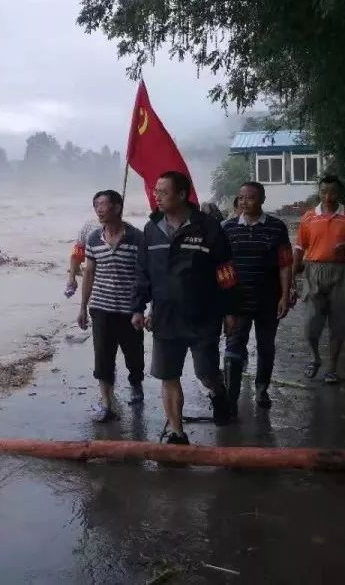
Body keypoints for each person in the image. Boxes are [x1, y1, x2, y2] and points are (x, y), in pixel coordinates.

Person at [133, 171, 239, 444]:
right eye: (155, 191)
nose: (156, 196)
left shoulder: (208, 227)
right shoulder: (151, 229)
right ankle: (177, 433)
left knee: (206, 373)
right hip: (165, 318)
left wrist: (229, 310)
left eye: (163, 191)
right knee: (168, 376)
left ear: (182, 195)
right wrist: (138, 307)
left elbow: (225, 271)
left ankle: (218, 393)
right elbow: (143, 272)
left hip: (203, 315)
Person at [221, 181, 294, 416]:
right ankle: (230, 397)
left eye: (250, 198)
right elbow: (222, 267)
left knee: (266, 347)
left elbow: (285, 264)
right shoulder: (227, 228)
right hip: (237, 301)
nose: (244, 202)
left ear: (261, 200)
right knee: (233, 346)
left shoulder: (277, 227)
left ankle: (262, 388)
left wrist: (284, 294)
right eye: (241, 198)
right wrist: (225, 304)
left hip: (268, 299)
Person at [293, 175, 345, 385]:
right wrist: (293, 273)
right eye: (323, 192)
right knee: (310, 322)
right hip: (314, 271)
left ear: (340, 194)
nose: (328, 196)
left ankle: (332, 368)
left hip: (343, 272)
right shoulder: (309, 217)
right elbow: (300, 247)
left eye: (333, 192)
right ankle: (315, 358)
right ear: (319, 192)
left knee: (338, 322)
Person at [76, 190, 145, 422]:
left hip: (129, 310)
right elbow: (89, 274)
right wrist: (83, 306)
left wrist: (143, 307)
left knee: (133, 356)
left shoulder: (136, 237)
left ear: (117, 207)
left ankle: (136, 383)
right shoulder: (94, 238)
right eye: (96, 205)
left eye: (103, 204)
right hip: (101, 307)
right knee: (103, 357)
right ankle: (106, 401)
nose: (99, 209)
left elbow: (144, 276)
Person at [65, 218, 100, 298]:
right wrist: (72, 277)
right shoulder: (89, 226)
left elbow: (77, 252)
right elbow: (77, 252)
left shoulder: (127, 233)